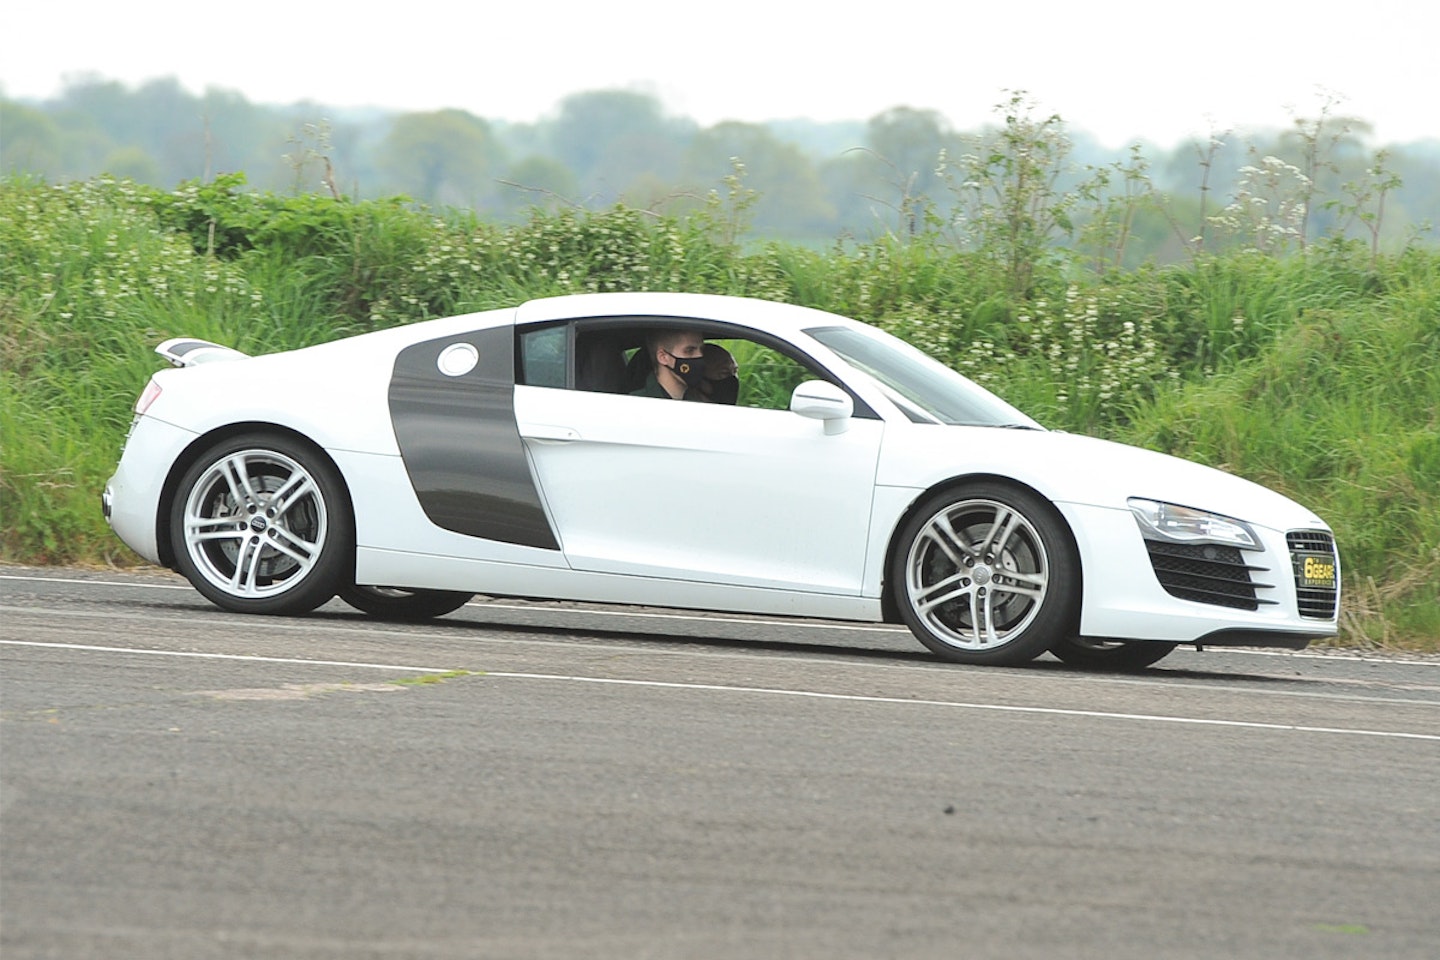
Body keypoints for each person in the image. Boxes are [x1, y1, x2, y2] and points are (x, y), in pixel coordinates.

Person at [630, 328, 707, 400]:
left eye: (702, 350)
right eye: (689, 351)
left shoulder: (699, 400)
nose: (700, 356)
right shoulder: (636, 403)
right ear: (663, 357)